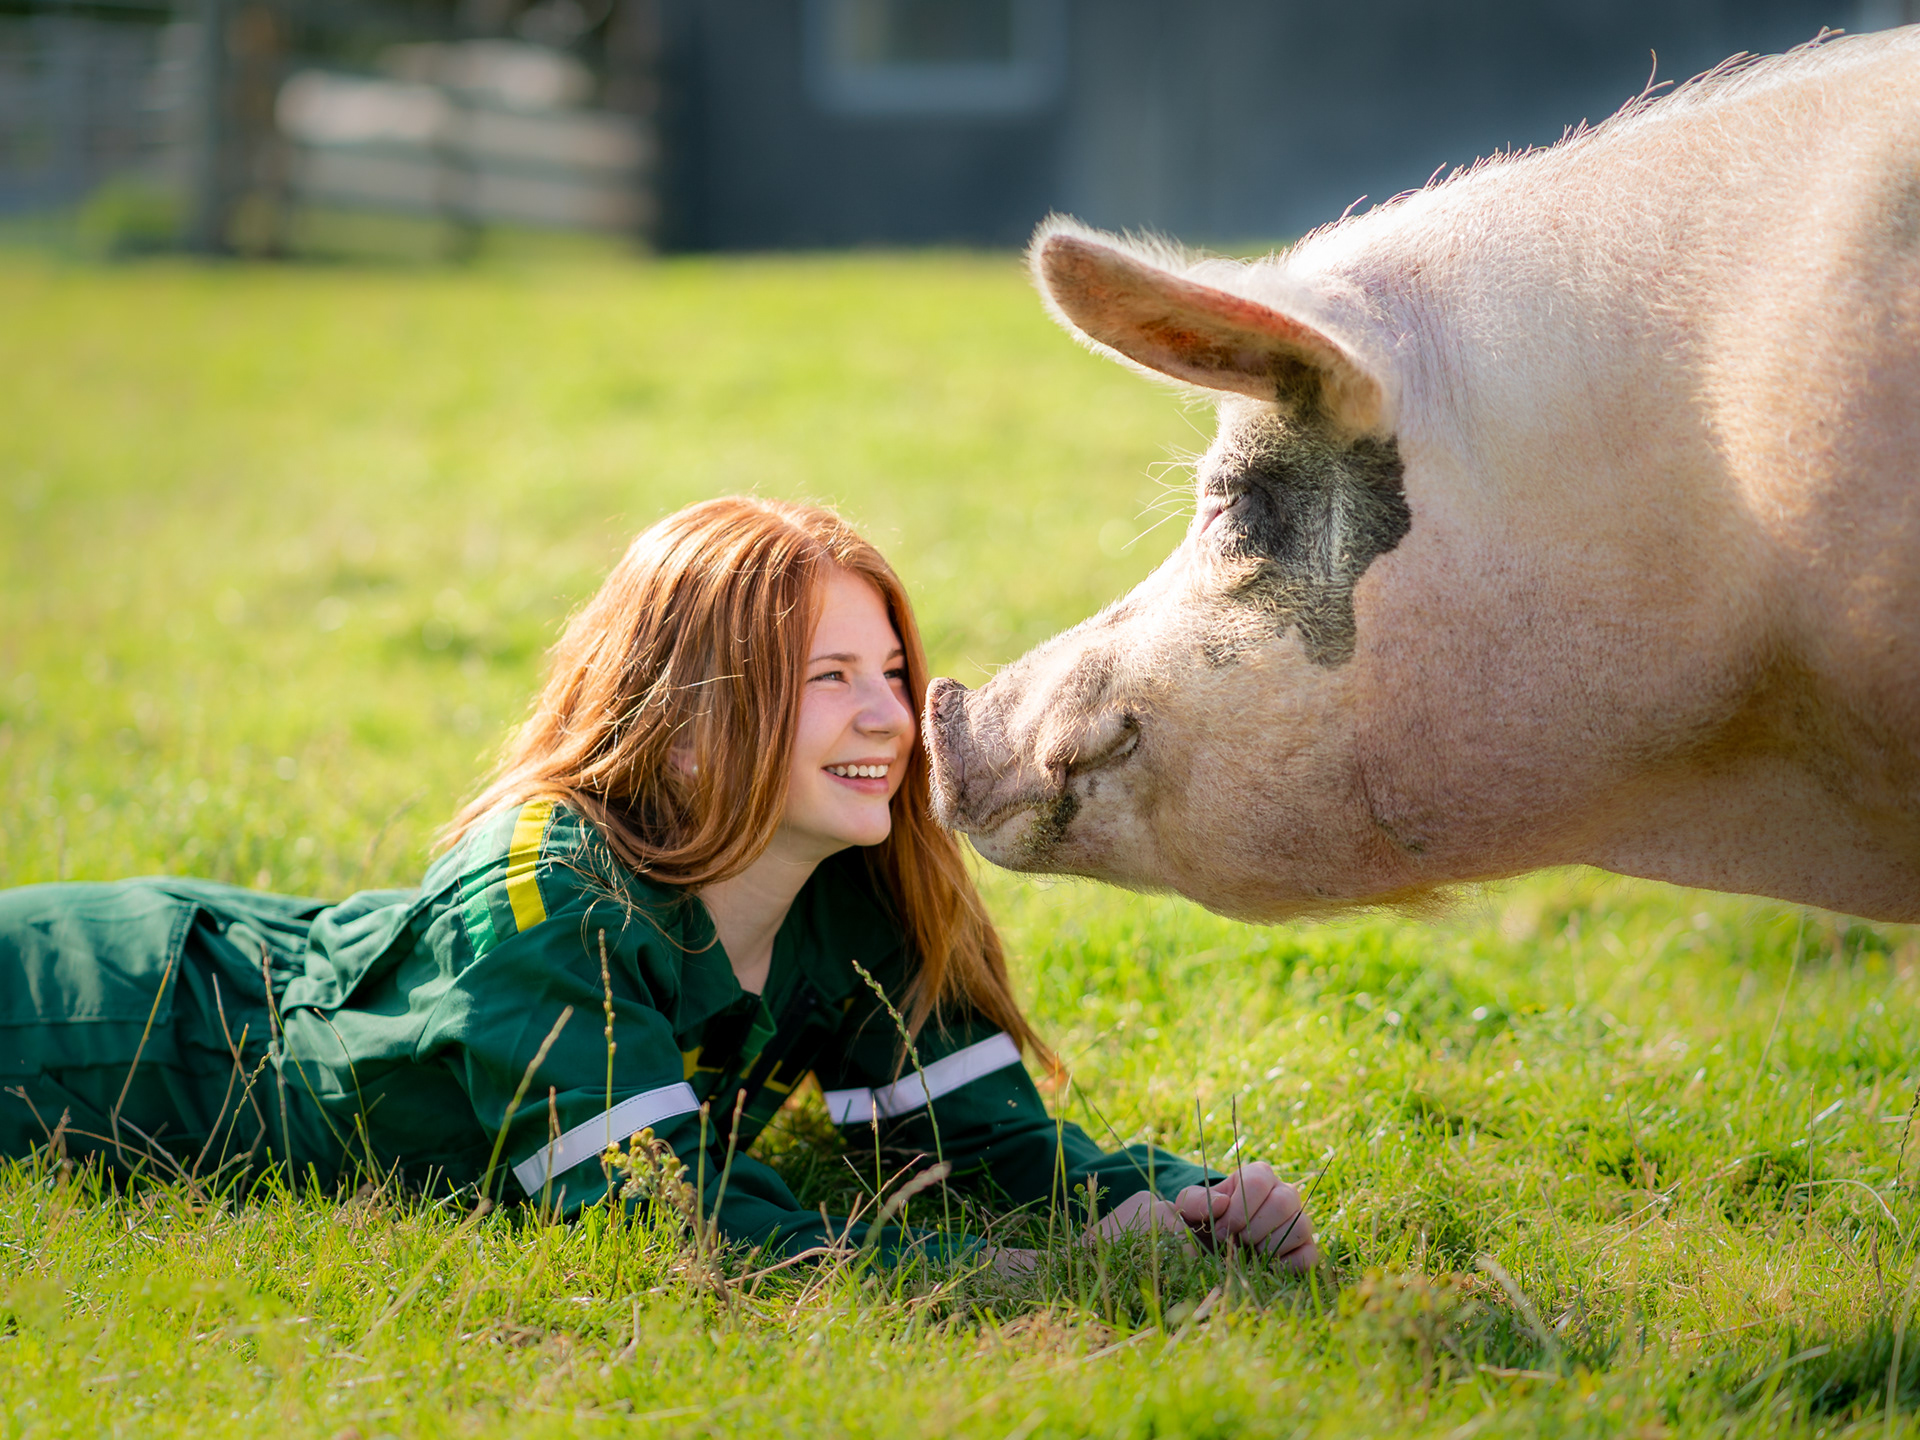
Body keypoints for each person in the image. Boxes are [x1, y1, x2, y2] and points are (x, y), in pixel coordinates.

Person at [0, 498, 1318, 1270]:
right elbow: (666, 1219)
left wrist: (1162, 1203)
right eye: (828, 680)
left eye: (891, 674)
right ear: (688, 724)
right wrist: (1000, 1276)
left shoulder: (858, 885)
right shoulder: (543, 893)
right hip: (99, 1022)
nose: (889, 717)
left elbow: (972, 1142)